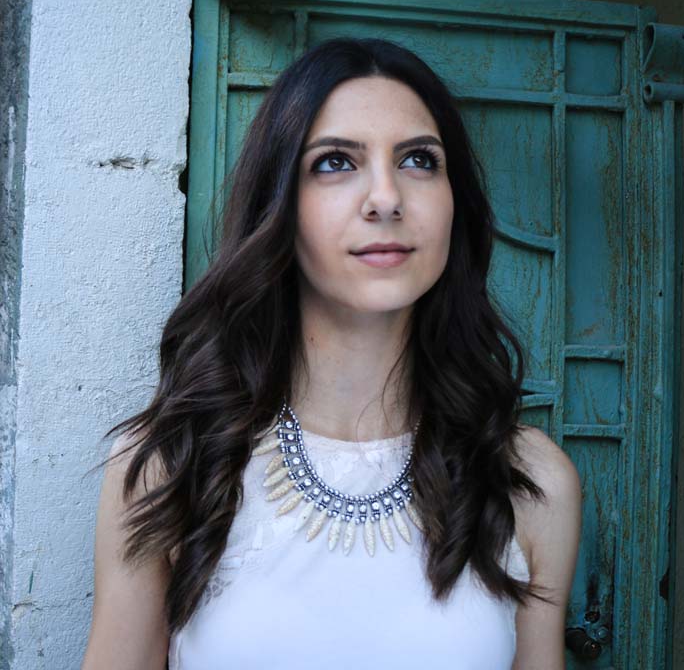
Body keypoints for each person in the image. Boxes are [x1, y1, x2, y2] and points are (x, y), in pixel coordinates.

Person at [81, 37, 582, 670]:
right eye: (336, 163)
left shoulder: (532, 483)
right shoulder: (170, 465)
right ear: (279, 204)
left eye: (420, 160)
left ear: (457, 201)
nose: (386, 198)